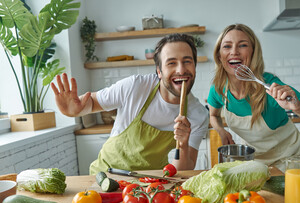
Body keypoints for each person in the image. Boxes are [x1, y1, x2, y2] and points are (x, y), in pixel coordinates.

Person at [51, 33, 209, 174]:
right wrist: (73, 110)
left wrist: (182, 144)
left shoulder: (198, 115)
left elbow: (183, 170)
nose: (181, 70)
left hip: (150, 183)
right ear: (159, 71)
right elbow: (91, 102)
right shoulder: (136, 87)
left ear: (194, 67)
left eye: (187, 61)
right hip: (107, 175)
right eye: (171, 63)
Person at [207, 24, 300, 169]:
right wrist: (221, 130)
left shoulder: (272, 87)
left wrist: (299, 107)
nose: (234, 52)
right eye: (227, 46)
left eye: (243, 45)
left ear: (253, 52)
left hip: (287, 163)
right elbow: (213, 115)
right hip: (253, 163)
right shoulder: (219, 88)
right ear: (219, 56)